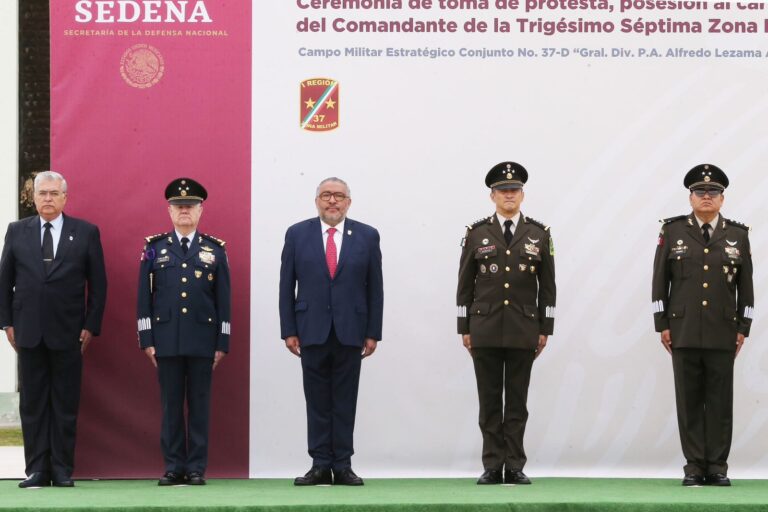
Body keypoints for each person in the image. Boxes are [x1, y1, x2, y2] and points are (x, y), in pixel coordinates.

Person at [0, 170, 107, 489]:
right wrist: (6, 323)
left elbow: (99, 286)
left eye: (53, 193)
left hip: (69, 332)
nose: (47, 198)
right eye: (41, 193)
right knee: (32, 403)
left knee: (64, 402)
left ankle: (61, 469)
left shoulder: (86, 232)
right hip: (28, 332)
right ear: (33, 198)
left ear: (65, 197)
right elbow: (5, 282)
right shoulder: (17, 231)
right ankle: (36, 469)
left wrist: (91, 325)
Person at [652, 164, 754, 487]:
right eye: (700, 192)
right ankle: (695, 467)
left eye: (713, 193)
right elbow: (659, 282)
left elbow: (746, 287)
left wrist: (743, 327)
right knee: (689, 401)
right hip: (681, 332)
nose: (706, 197)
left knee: (721, 403)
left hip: (723, 332)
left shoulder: (737, 235)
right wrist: (662, 324)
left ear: (722, 199)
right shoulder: (673, 232)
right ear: (691, 197)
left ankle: (718, 467)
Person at [279, 177, 383, 486]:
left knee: (345, 400)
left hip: (351, 331)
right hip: (310, 331)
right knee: (317, 401)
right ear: (317, 201)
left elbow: (375, 288)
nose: (333, 201)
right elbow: (286, 285)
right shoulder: (297, 234)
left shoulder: (367, 235)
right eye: (326, 195)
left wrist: (372, 331)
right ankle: (320, 464)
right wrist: (289, 329)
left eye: (339, 196)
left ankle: (343, 464)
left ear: (349, 202)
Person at [457, 162, 556, 485]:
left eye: (514, 190)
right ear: (492, 196)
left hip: (523, 328)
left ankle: (513, 465)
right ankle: (491, 465)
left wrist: (545, 329)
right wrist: (464, 328)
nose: (508, 195)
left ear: (522, 195)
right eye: (503, 190)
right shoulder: (477, 233)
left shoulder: (539, 234)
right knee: (489, 402)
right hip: (484, 328)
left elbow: (548, 286)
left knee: (516, 402)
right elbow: (465, 284)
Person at [136, 178, 231, 486]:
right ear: (169, 211)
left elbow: (224, 300)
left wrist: (223, 342)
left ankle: (196, 468)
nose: (184, 211)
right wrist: (147, 339)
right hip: (166, 340)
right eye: (179, 207)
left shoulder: (215, 250)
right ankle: (174, 466)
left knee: (200, 407)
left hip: (203, 341)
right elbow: (143, 298)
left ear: (201, 211)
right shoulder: (154, 249)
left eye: (190, 206)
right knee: (171, 406)